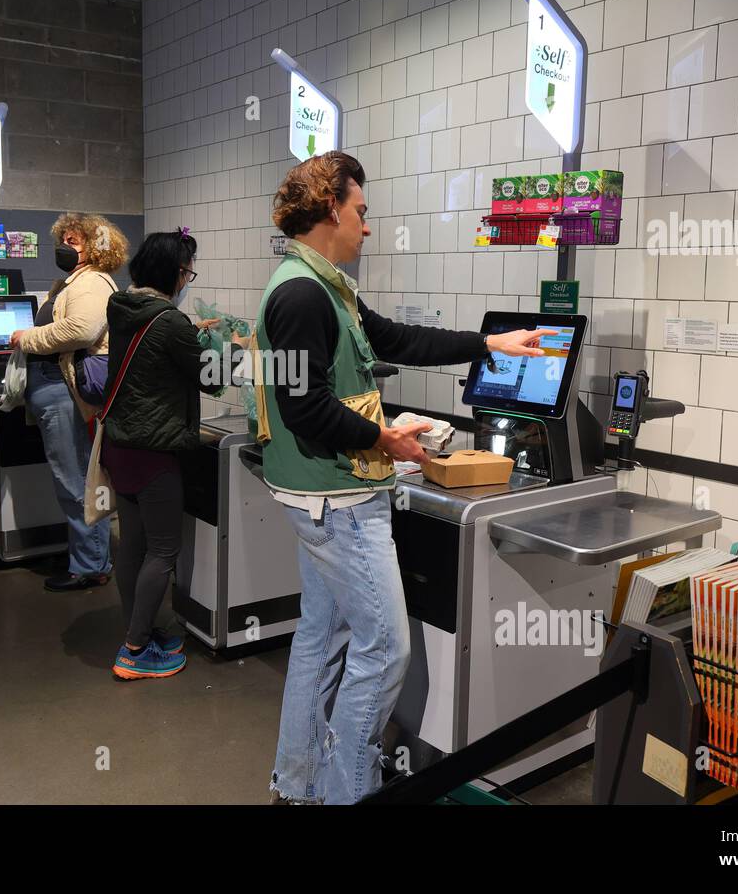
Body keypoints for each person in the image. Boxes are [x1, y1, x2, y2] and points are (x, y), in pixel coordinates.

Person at [256, 151, 555, 804]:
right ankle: (345, 792)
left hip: (315, 496)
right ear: (331, 208)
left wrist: (489, 344)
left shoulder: (315, 283)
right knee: (385, 652)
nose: (367, 227)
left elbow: (394, 339)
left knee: (322, 637)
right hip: (337, 501)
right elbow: (303, 406)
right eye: (361, 212)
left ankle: (299, 782)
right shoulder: (302, 293)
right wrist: (383, 438)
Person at [100, 228, 222, 680]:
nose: (188, 280)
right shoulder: (170, 323)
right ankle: (134, 651)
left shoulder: (123, 306)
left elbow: (157, 350)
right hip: (154, 451)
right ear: (174, 273)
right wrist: (219, 344)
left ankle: (142, 630)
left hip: (120, 446)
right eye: (188, 272)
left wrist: (191, 332)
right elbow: (210, 377)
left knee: (132, 546)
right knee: (164, 550)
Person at [9, 213, 126, 592]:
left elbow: (82, 329)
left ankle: (91, 565)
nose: (66, 247)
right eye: (65, 239)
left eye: (75, 241)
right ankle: (89, 557)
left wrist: (27, 338)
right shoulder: (70, 282)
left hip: (62, 390)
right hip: (52, 388)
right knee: (70, 476)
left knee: (74, 478)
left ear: (95, 246)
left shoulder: (90, 282)